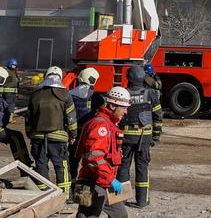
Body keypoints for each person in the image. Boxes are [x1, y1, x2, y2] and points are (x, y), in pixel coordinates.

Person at [74, 86, 131, 218]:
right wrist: (111, 179)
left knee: (120, 215)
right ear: (112, 106)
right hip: (94, 182)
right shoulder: (101, 125)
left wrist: (110, 179)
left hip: (105, 181)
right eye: (123, 107)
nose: (126, 112)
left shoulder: (110, 124)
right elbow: (95, 157)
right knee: (89, 215)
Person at [26, 66, 77, 197]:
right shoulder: (65, 94)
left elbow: (28, 118)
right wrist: (73, 135)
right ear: (60, 77)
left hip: (38, 137)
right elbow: (71, 118)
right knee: (61, 166)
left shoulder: (35, 94)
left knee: (41, 165)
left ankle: (45, 195)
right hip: (58, 138)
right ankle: (65, 196)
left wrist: (30, 133)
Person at [117, 65, 162, 208]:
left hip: (126, 138)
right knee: (142, 168)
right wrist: (156, 136)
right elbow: (157, 115)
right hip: (144, 138)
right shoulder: (150, 93)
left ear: (129, 78)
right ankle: (142, 201)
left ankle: (121, 200)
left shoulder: (124, 93)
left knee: (123, 168)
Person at [69, 68, 103, 183]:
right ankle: (86, 185)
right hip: (90, 134)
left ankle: (71, 186)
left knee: (72, 161)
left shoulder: (70, 94)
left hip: (74, 133)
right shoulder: (97, 97)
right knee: (90, 160)